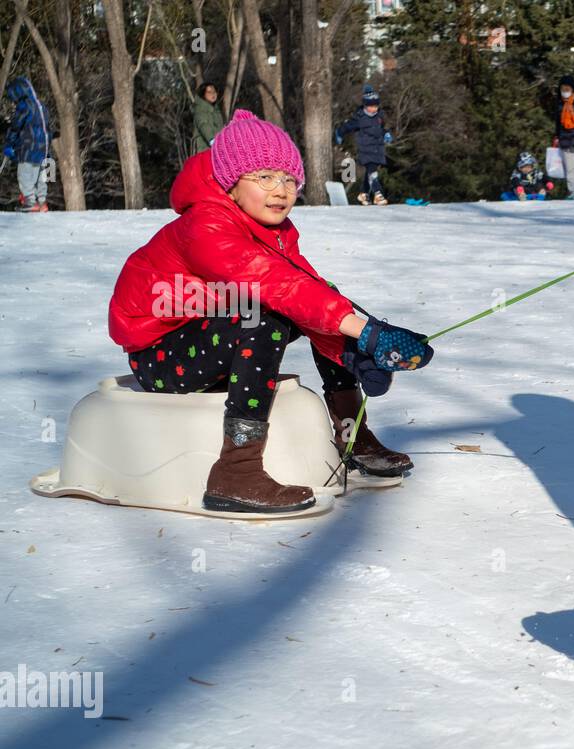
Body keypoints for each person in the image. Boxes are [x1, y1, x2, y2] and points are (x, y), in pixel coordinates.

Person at [108, 110, 434, 514]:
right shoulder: (205, 224)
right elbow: (275, 286)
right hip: (161, 356)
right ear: (231, 184)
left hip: (211, 341)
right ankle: (236, 471)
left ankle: (353, 437)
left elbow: (312, 294)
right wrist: (365, 333)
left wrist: (356, 341)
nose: (281, 190)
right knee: (265, 314)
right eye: (264, 177)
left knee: (319, 301)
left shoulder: (276, 231)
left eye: (290, 179)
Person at [335, 85, 392, 205]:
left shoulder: (379, 117)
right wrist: (339, 133)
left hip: (378, 148)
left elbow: (381, 129)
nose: (374, 108)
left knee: (370, 172)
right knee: (373, 172)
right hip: (365, 149)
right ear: (366, 105)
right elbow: (347, 126)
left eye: (376, 106)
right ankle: (378, 194)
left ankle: (363, 194)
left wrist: (386, 133)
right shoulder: (360, 118)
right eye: (371, 106)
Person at [3, 77, 52, 213]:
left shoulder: (24, 106)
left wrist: (9, 144)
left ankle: (30, 201)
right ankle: (42, 202)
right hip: (44, 149)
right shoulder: (41, 106)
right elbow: (47, 129)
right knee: (40, 177)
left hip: (28, 149)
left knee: (24, 174)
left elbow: (16, 127)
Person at [191, 83, 224, 156]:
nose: (213, 94)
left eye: (214, 91)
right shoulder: (200, 110)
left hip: (219, 149)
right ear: (203, 94)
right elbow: (203, 125)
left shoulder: (216, 110)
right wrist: (212, 140)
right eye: (209, 92)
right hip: (205, 150)